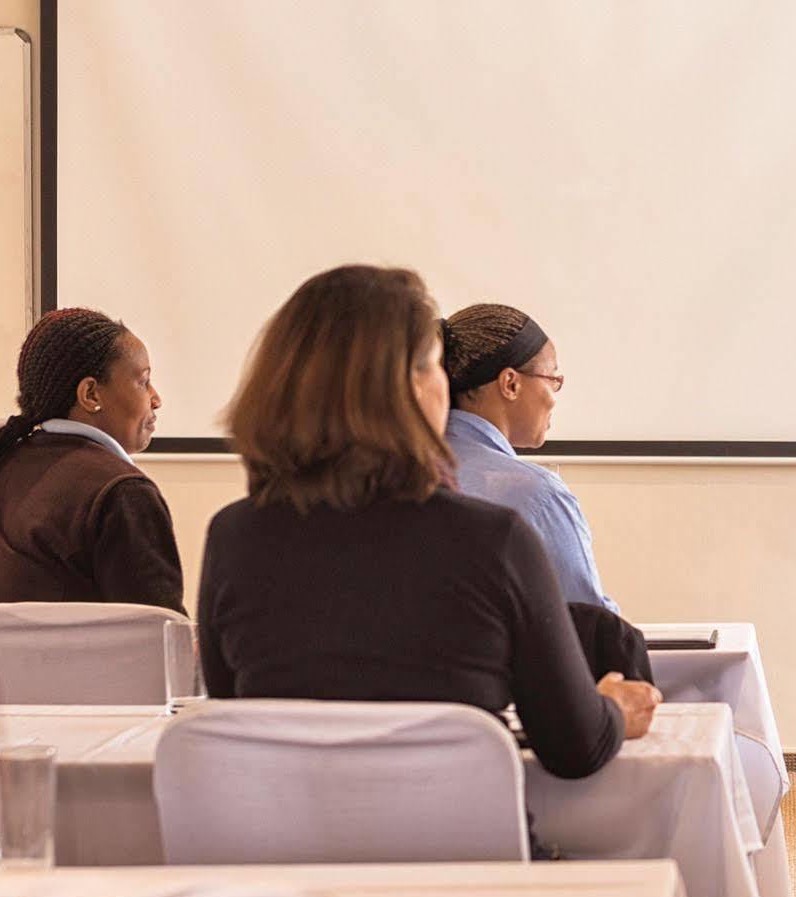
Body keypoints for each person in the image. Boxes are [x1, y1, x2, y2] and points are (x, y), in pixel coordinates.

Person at [198, 265, 659, 790]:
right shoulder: (493, 540)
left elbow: (230, 719)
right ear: (414, 390)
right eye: (437, 366)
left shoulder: (232, 538)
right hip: (467, 861)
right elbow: (575, 745)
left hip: (292, 862)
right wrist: (615, 711)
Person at [440, 302, 651, 683]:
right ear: (510, 383)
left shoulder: (396, 475)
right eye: (553, 379)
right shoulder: (533, 493)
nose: (555, 397)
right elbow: (591, 631)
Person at [0, 308, 183, 616]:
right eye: (143, 381)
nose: (156, 399)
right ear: (90, 394)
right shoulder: (122, 492)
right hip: (91, 666)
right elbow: (160, 643)